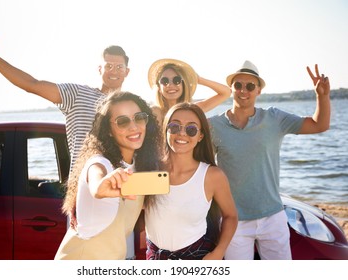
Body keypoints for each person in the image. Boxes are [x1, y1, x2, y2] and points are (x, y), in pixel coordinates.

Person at [0, 30, 130, 229]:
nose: (113, 71)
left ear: (126, 71)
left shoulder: (133, 108)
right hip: (85, 194)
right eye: (109, 66)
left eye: (119, 67)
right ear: (99, 69)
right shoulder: (77, 95)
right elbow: (32, 85)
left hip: (124, 194)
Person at [209, 60, 331, 260]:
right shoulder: (214, 126)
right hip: (233, 220)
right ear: (231, 89)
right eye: (238, 85)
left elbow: (319, 125)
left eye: (250, 86)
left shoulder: (275, 118)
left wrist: (322, 97)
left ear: (258, 90)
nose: (243, 90)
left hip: (273, 217)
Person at [55, 91, 162, 259]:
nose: (134, 127)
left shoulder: (138, 166)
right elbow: (97, 182)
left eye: (139, 117)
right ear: (109, 130)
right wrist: (101, 187)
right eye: (122, 121)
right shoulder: (100, 163)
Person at [144, 102, 238, 260]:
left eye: (191, 129)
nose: (182, 133)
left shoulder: (212, 176)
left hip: (197, 257)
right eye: (174, 126)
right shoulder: (150, 170)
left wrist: (219, 252)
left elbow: (231, 216)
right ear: (165, 129)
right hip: (155, 258)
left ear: (201, 136)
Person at [147, 58, 231, 124]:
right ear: (159, 88)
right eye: (164, 81)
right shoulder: (155, 112)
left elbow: (226, 92)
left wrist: (199, 79)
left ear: (184, 85)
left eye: (177, 80)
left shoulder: (193, 109)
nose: (170, 85)